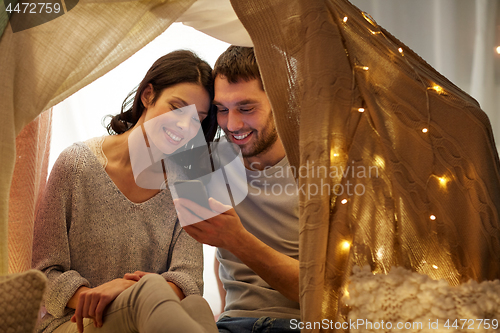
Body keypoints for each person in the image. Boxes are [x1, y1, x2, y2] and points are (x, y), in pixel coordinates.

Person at [32, 50, 219, 333]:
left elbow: (189, 281)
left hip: (150, 320)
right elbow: (45, 273)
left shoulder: (190, 185)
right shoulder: (76, 164)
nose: (185, 126)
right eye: (177, 108)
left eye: (198, 119)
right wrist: (106, 297)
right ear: (147, 95)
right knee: (150, 290)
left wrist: (127, 290)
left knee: (197, 306)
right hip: (74, 323)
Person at [176, 46, 301, 332]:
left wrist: (237, 239)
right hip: (233, 324)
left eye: (246, 108)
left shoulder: (323, 169)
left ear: (281, 100)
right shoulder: (207, 162)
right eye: (222, 110)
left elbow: (328, 291)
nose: (231, 125)